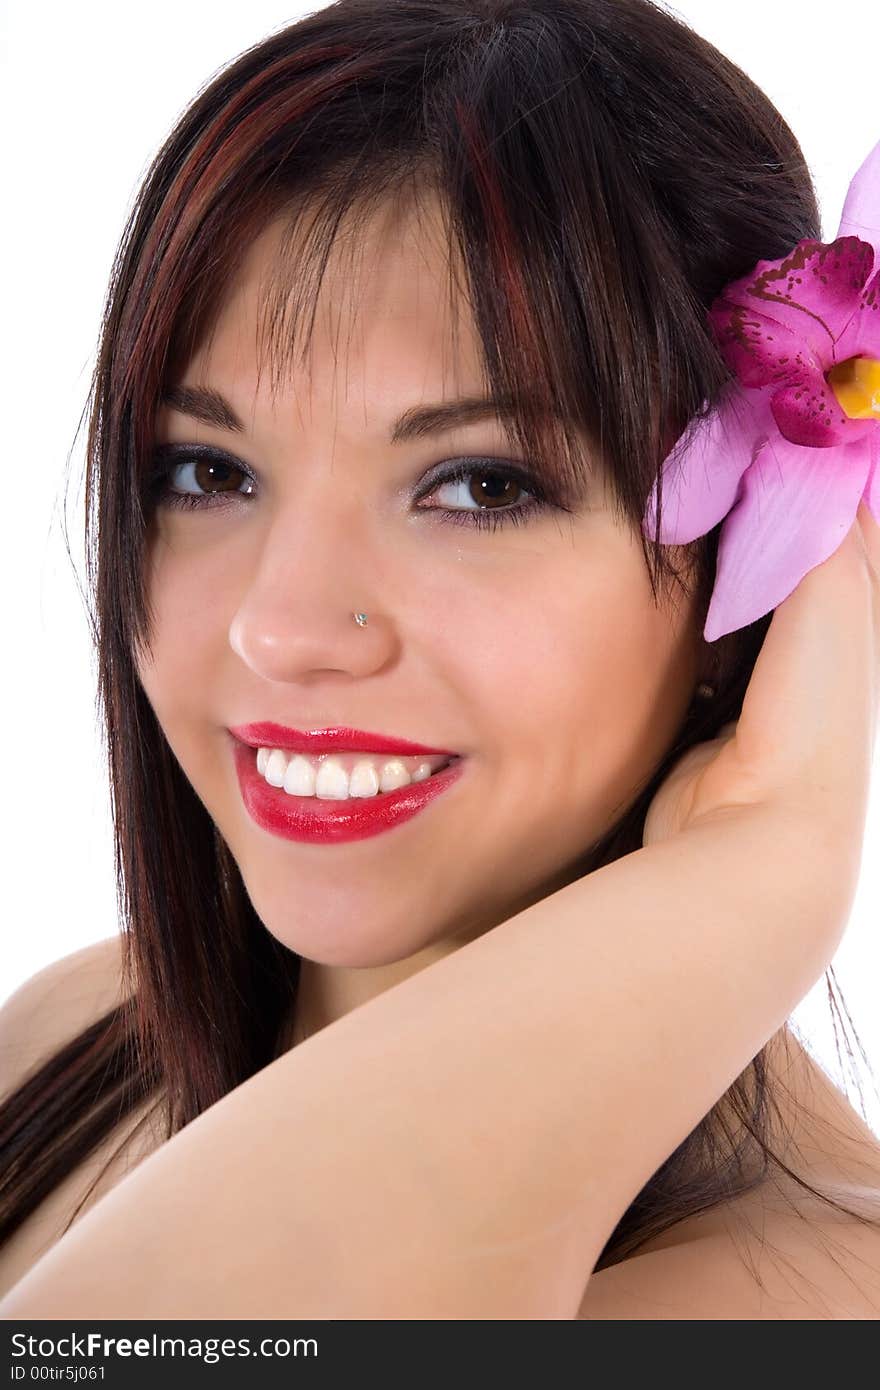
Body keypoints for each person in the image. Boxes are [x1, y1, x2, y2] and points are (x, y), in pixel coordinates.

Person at [1, 0, 879, 1319]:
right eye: (209, 470)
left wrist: (768, 858)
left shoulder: (812, 1300)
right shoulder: (83, 1026)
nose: (282, 628)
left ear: (756, 564)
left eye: (477, 486)